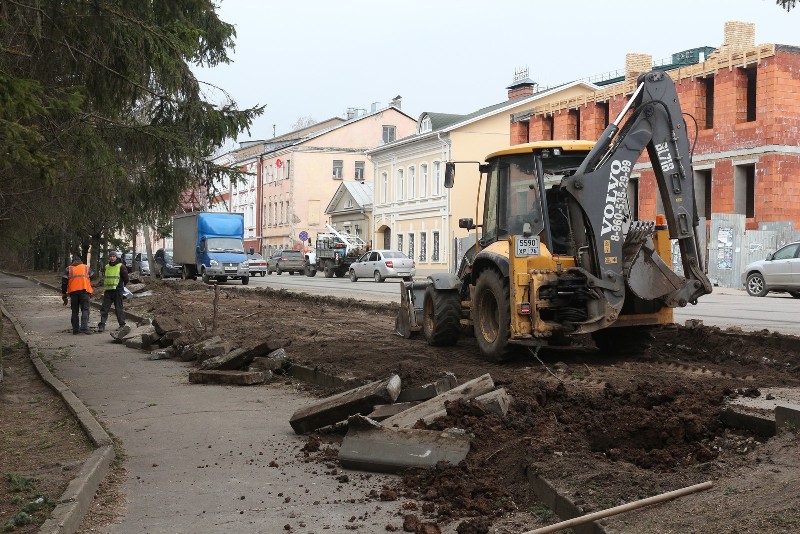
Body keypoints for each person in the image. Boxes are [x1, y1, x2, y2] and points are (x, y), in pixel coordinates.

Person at [61, 255, 94, 334]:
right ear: (80, 261)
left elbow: (64, 282)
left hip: (73, 293)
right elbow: (93, 275)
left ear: (72, 261)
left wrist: (64, 294)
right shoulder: (86, 267)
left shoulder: (68, 268)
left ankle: (75, 330)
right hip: (84, 291)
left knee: (75, 311)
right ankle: (84, 327)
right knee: (85, 310)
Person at [98, 250, 129, 332]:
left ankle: (122, 325)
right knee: (104, 308)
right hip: (108, 291)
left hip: (117, 291)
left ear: (116, 257)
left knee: (119, 308)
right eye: (110, 256)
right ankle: (102, 325)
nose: (112, 258)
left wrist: (121, 287)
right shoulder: (107, 266)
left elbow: (126, 279)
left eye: (113, 256)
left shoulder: (121, 266)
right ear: (109, 257)